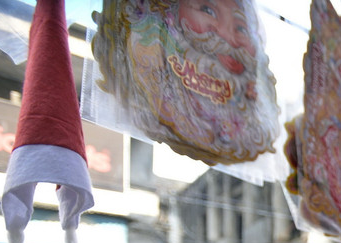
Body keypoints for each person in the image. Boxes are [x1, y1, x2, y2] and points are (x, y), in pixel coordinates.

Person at [90, 0, 280, 164]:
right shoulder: (148, 52)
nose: (227, 36)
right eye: (207, 10)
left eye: (241, 28)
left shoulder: (249, 102)